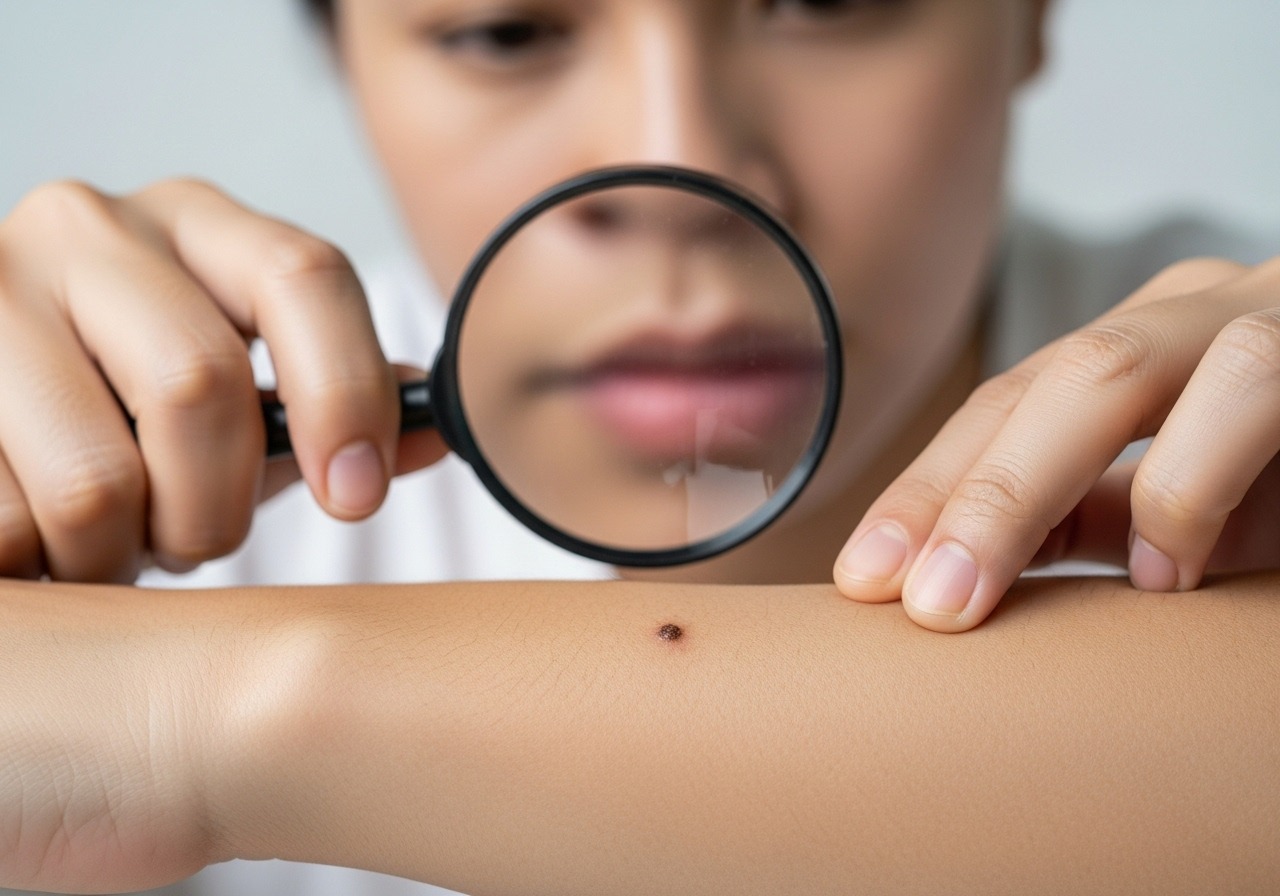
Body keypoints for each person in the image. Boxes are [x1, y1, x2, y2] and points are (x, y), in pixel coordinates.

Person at [0, 1, 1277, 894]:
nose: (677, 158)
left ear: (1033, 15)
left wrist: (180, 713)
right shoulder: (133, 463)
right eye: (505, 31)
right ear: (346, 57)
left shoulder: (1245, 402)